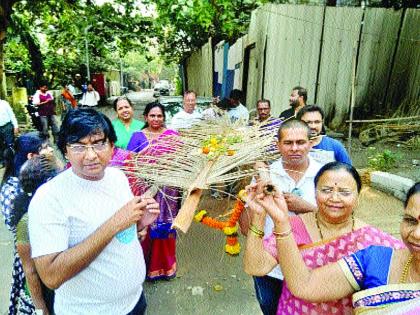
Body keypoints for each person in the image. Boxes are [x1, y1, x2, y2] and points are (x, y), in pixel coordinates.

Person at [28, 109, 159, 314]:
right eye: (79, 146)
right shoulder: (49, 197)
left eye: (99, 143)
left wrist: (139, 223)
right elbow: (51, 276)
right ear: (65, 151)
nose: (91, 155)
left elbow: (123, 235)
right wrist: (116, 222)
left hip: (135, 302)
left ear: (112, 147)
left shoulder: (117, 177)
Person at [244, 162, 404, 314]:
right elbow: (256, 268)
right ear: (315, 193)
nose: (334, 198)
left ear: (357, 198)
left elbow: (408, 266)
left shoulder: (372, 239)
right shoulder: (292, 227)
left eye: (345, 192)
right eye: (326, 190)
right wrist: (259, 215)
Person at [239, 119, 323, 315]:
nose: (295, 148)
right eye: (288, 143)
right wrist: (248, 200)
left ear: (310, 143)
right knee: (271, 310)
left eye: (300, 142)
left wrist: (307, 208)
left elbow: (338, 221)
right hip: (271, 269)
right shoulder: (266, 177)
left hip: (312, 266)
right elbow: (245, 229)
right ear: (278, 145)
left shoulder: (324, 175)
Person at [0, 132, 53, 315]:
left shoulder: (46, 177)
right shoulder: (12, 189)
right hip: (31, 257)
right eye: (46, 148)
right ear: (32, 157)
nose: (51, 151)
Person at [127, 102, 180, 280]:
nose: (156, 119)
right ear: (146, 117)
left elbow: (181, 162)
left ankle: (165, 267)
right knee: (145, 227)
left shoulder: (172, 136)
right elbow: (131, 165)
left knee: (165, 228)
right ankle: (143, 268)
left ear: (164, 117)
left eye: (159, 116)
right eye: (152, 116)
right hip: (146, 190)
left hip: (168, 192)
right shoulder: (137, 137)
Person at [14, 155, 62, 315]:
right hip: (49, 294)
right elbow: (31, 272)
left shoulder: (61, 208)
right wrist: (42, 310)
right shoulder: (27, 223)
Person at [0, 97, 19, 166]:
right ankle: (2, 161)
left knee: (10, 144)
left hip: (7, 126)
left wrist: (15, 126)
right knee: (1, 146)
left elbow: (12, 115)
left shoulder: (4, 103)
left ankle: (13, 160)